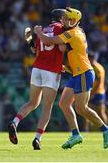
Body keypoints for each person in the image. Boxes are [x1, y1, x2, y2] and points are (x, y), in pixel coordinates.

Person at [34, 7, 108, 149]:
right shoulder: (77, 31)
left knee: (81, 108)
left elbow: (49, 40)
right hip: (76, 73)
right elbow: (66, 50)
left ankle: (105, 128)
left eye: (68, 19)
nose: (64, 20)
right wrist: (68, 68)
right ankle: (76, 134)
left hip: (84, 73)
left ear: (75, 21)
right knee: (64, 103)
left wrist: (38, 32)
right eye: (64, 18)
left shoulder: (71, 33)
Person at [8, 9, 66, 150]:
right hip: (51, 71)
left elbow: (35, 50)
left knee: (32, 102)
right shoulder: (61, 29)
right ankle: (37, 139)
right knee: (47, 108)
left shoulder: (43, 29)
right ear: (61, 18)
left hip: (37, 69)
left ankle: (15, 122)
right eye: (65, 17)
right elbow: (62, 48)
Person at [85, 51, 108, 131]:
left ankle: (105, 128)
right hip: (95, 92)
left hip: (98, 93)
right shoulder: (96, 66)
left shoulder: (97, 68)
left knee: (100, 112)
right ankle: (87, 129)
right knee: (87, 112)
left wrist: (92, 93)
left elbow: (98, 82)